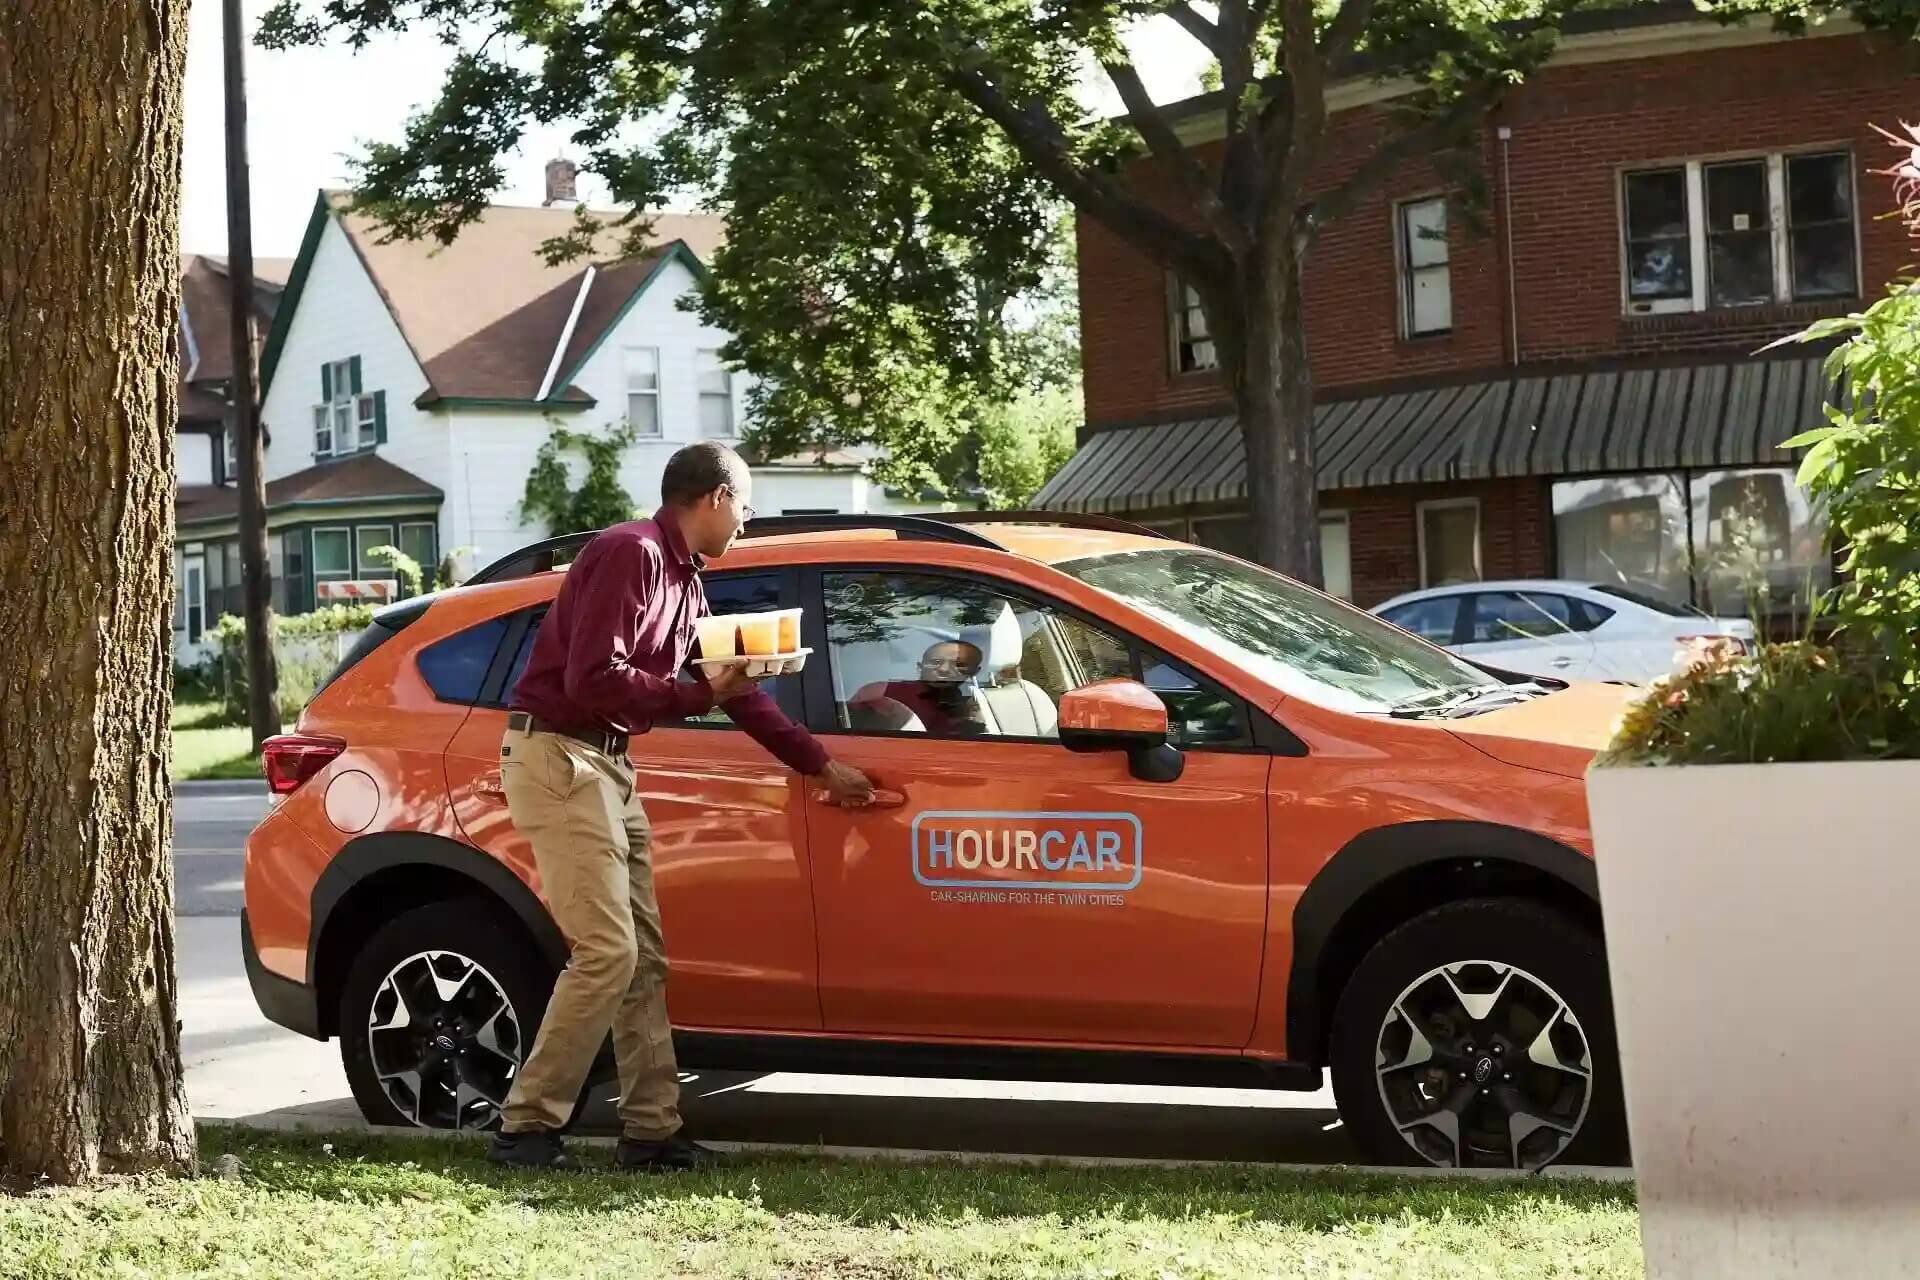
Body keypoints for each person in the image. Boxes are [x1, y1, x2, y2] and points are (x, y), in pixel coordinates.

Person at [488, 441, 874, 1172]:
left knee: (644, 961)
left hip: (603, 761)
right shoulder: (629, 553)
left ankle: (651, 1132)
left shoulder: (685, 580)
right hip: (560, 756)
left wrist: (820, 765)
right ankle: (525, 1126)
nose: (747, 525)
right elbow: (597, 677)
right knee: (608, 951)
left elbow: (741, 692)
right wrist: (701, 696)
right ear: (716, 497)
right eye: (747, 507)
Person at [848, 640, 989, 735]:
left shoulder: (982, 709)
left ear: (975, 671)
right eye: (936, 662)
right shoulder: (883, 692)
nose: (944, 669)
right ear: (920, 666)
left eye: (959, 664)